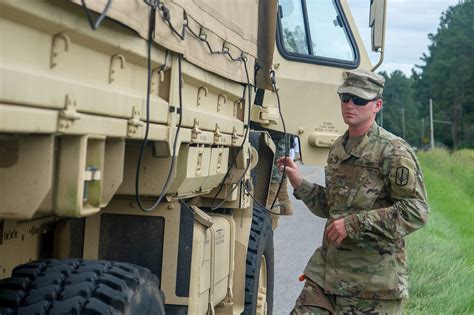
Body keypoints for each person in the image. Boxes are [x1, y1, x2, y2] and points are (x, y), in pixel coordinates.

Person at [277, 69, 430, 314]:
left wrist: (354, 225)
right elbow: (334, 207)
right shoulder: (338, 148)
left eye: (359, 100)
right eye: (345, 97)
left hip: (372, 287)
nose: (350, 105)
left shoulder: (393, 151)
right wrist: (299, 183)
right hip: (326, 276)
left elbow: (416, 211)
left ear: (377, 105)